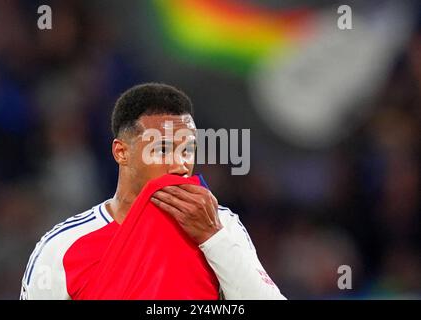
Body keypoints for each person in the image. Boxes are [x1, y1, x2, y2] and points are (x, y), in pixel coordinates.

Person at [20, 83, 286, 300]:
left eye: (188, 150)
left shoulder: (221, 224)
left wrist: (212, 238)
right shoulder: (63, 246)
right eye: (162, 150)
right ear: (121, 152)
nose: (180, 165)